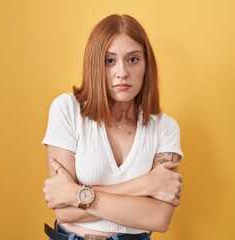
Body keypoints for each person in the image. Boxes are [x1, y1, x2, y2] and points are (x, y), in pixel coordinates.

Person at [42, 14, 183, 240]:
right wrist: (146, 185)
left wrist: (76, 194)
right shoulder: (66, 110)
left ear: (147, 65)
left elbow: (159, 218)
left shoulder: (165, 128)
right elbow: (63, 209)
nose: (122, 72)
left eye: (133, 59)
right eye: (110, 60)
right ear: (94, 63)